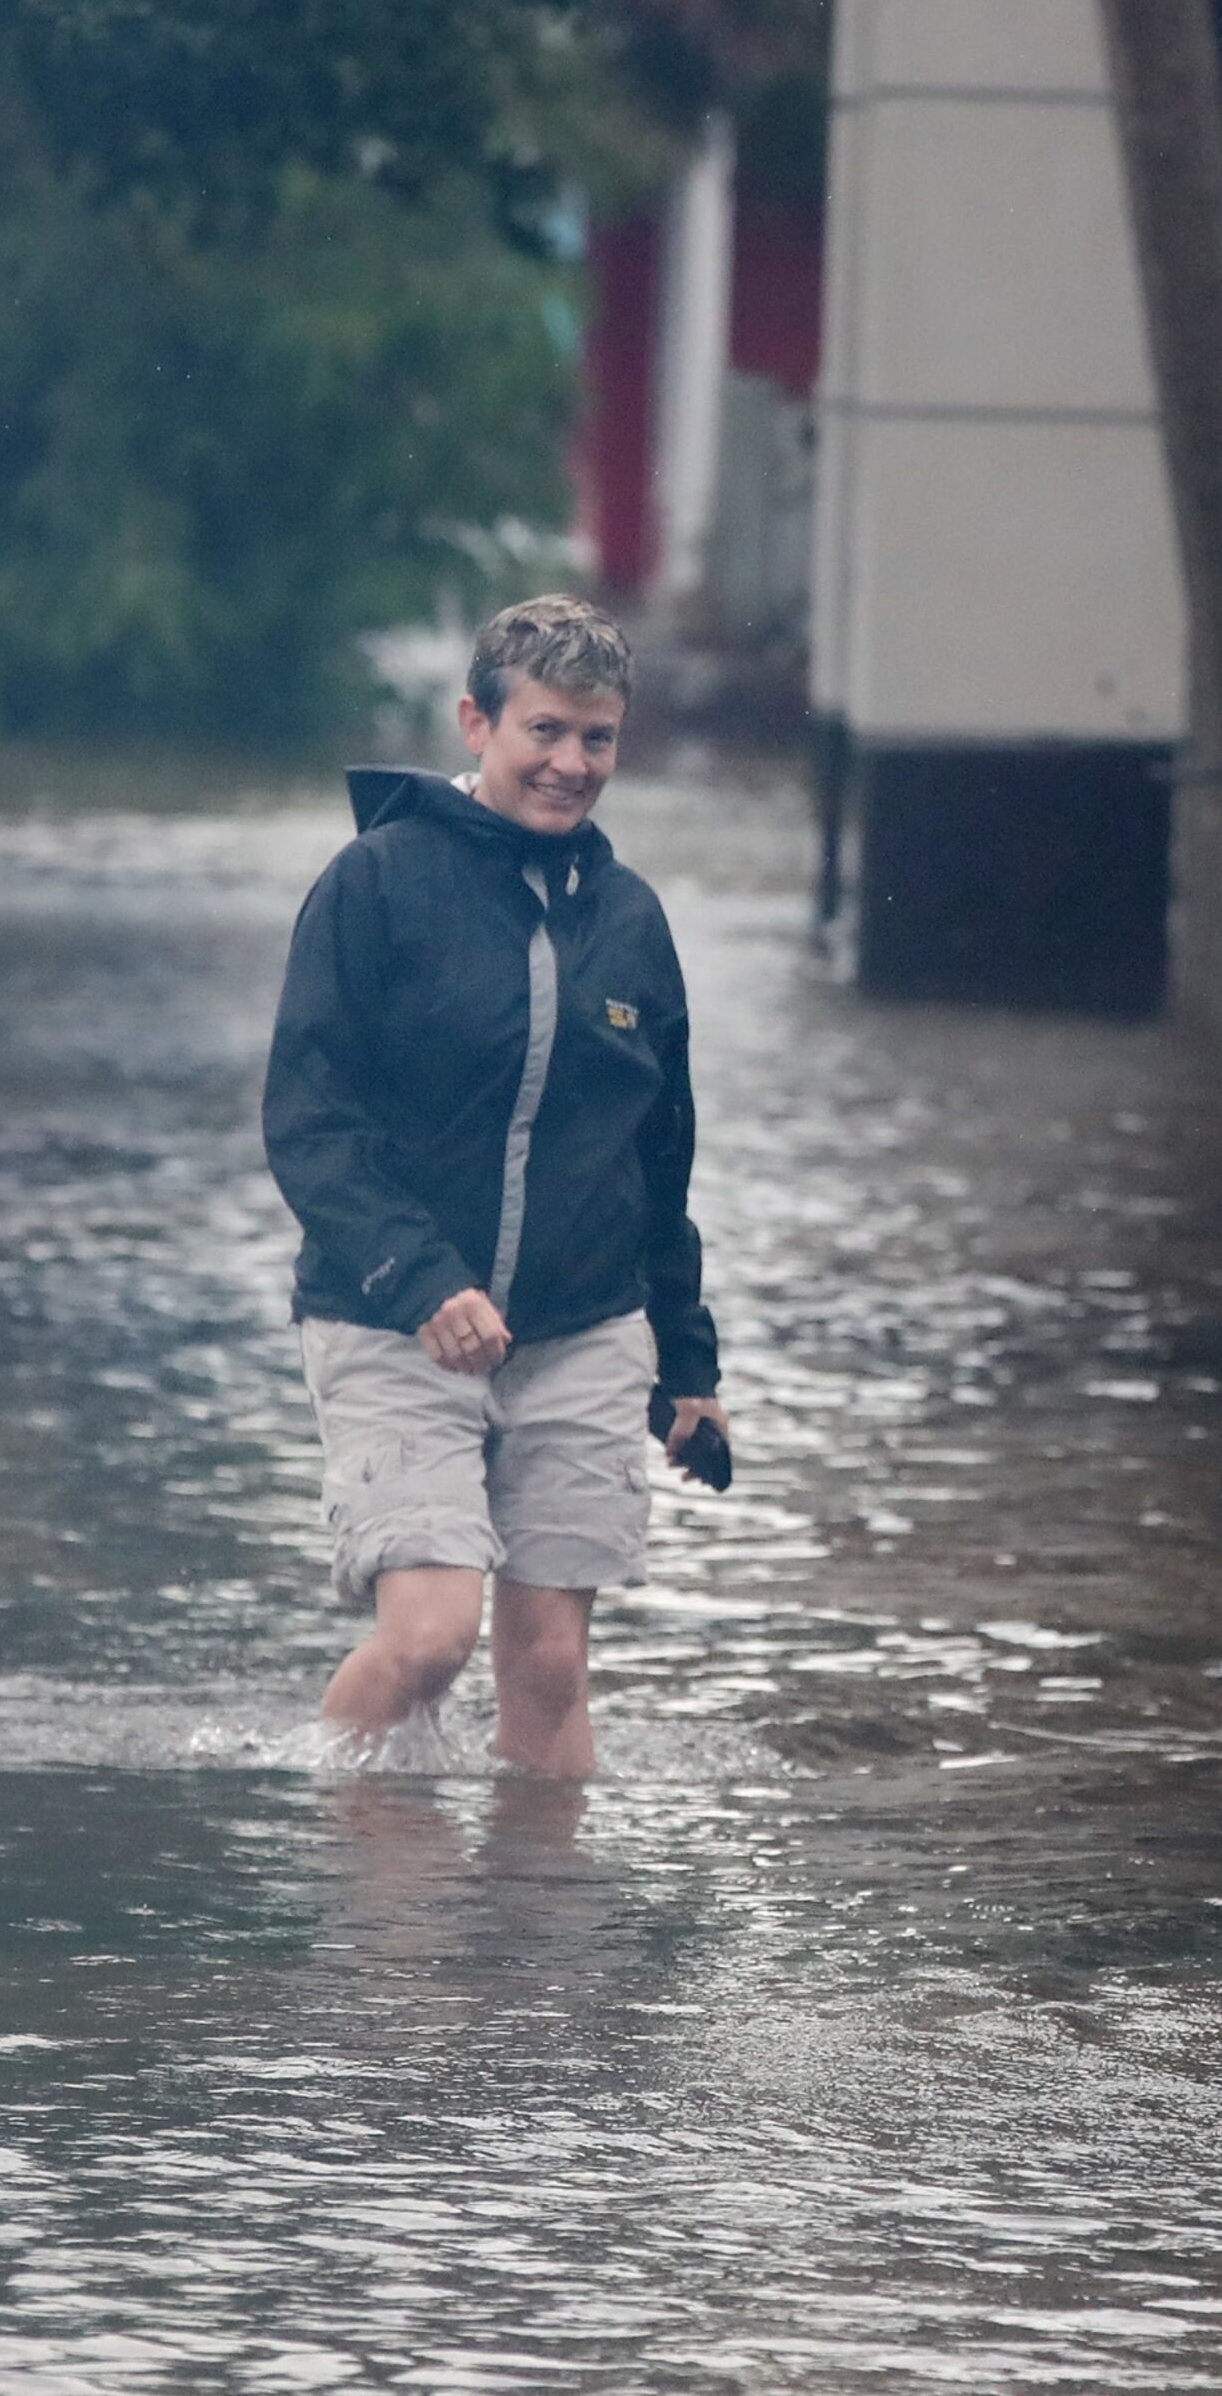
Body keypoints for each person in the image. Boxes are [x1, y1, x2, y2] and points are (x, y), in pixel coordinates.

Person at [264, 595, 729, 1776]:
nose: (572, 764)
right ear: (477, 723)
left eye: (599, 739)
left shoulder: (631, 922)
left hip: (583, 1328)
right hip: (390, 1319)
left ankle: (538, 1950)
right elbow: (311, 1125)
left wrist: (691, 1370)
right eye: (546, 732)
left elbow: (659, 1159)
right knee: (429, 1641)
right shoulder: (372, 886)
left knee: (551, 1667)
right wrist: (423, 1279)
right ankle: (370, 1912)